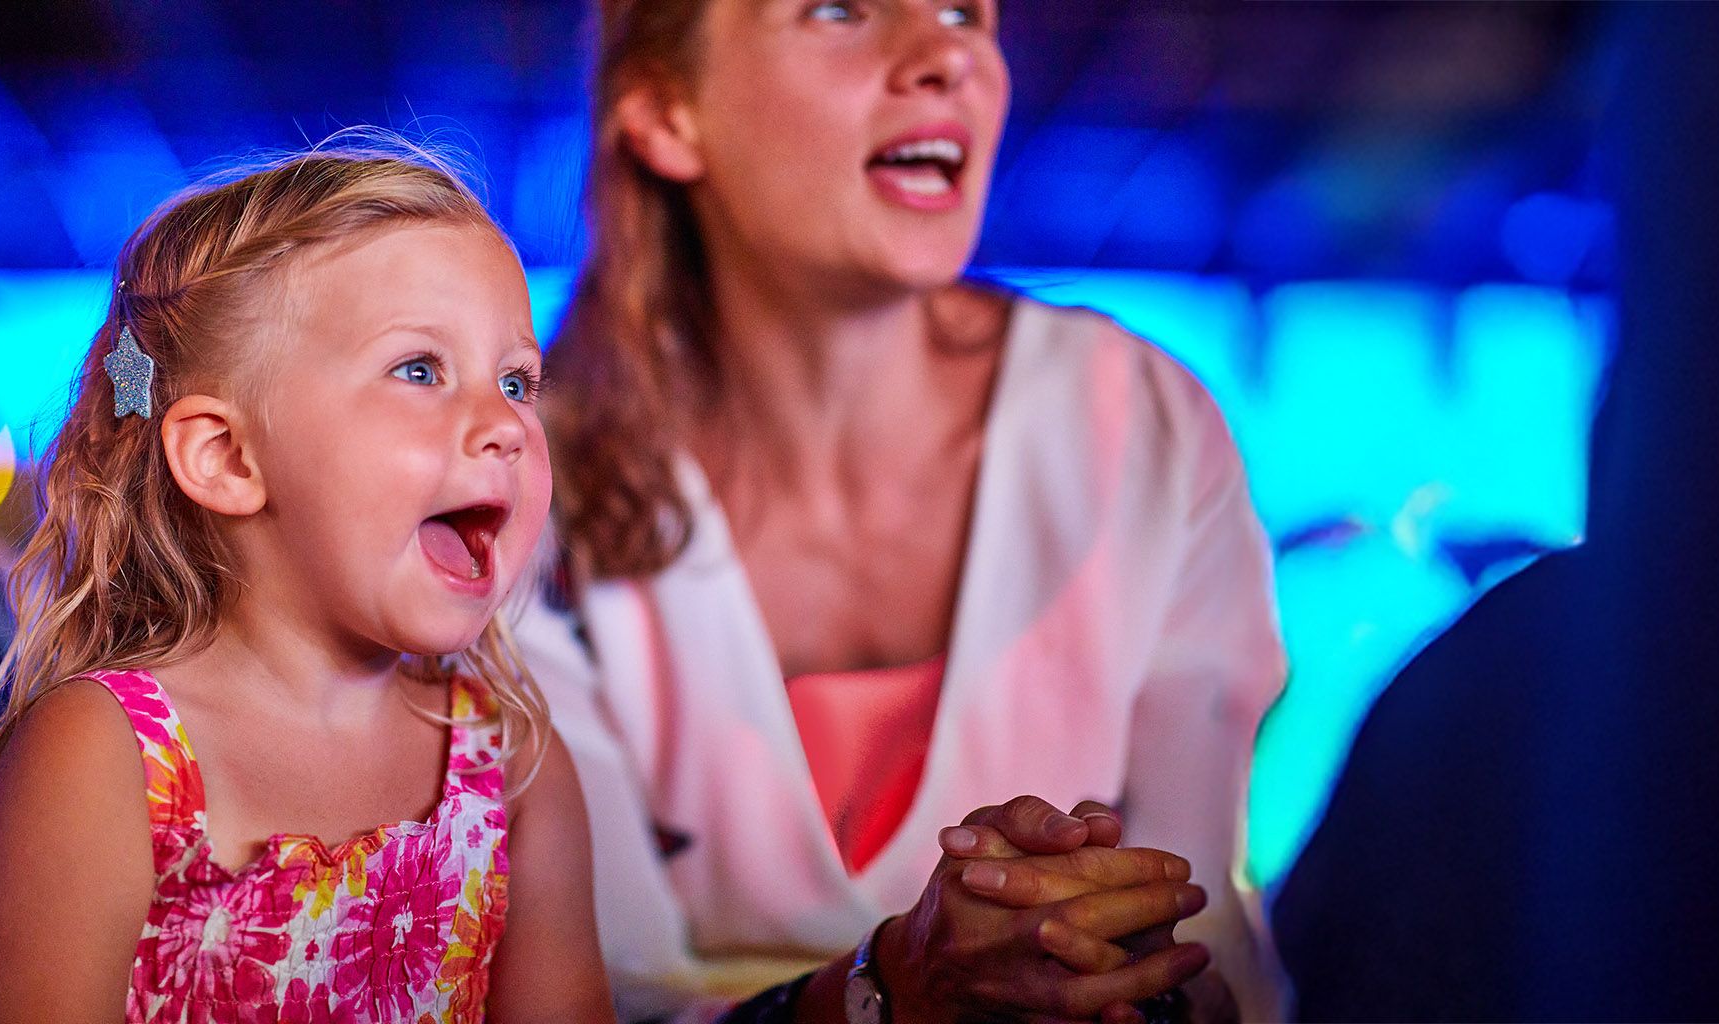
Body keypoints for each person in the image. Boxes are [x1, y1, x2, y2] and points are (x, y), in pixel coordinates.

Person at [520, 0, 1291, 1020]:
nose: (947, 57)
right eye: (840, 10)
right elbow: (596, 996)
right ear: (666, 111)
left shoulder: (1143, 422)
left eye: (964, 13)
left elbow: (1200, 930)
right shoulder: (525, 480)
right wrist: (890, 989)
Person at [0, 139, 614, 1021]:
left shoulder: (512, 767)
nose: (505, 426)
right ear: (226, 457)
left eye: (517, 381)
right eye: (420, 370)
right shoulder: (104, 755)